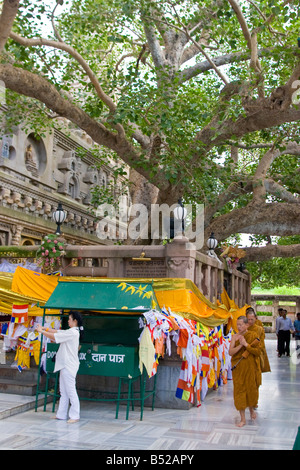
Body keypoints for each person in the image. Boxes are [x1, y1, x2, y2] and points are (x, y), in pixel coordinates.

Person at [37, 311, 84, 423]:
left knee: (71, 391)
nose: (68, 321)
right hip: (64, 364)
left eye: (69, 319)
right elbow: (57, 331)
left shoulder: (73, 333)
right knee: (63, 391)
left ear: (75, 321)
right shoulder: (71, 331)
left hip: (69, 365)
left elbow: (55, 336)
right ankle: (61, 414)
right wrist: (45, 328)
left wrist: (42, 332)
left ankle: (75, 415)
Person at [229, 315, 261, 427]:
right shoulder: (234, 337)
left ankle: (252, 410)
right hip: (238, 368)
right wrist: (240, 346)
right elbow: (230, 352)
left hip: (250, 367)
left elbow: (257, 352)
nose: (239, 327)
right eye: (237, 325)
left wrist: (246, 344)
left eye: (241, 325)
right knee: (239, 391)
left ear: (246, 325)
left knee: (250, 389)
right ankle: (243, 419)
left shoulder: (253, 335)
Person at [246, 308, 271, 374]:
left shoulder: (259, 328)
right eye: (249, 319)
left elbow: (261, 339)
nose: (250, 321)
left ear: (255, 318)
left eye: (252, 319)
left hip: (256, 351)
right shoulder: (244, 327)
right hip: (246, 352)